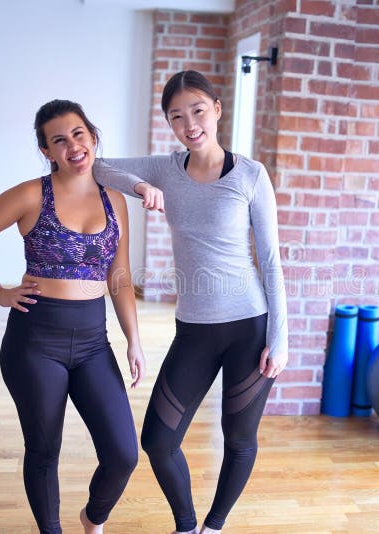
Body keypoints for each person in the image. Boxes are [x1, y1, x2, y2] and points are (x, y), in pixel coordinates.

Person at [91, 70, 288, 534]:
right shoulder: (165, 169)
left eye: (197, 110)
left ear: (217, 109)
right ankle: (186, 525)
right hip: (194, 330)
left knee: (239, 438)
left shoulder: (251, 175)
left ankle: (213, 528)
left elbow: (272, 261)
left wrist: (279, 339)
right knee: (158, 441)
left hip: (249, 326)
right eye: (176, 116)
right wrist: (140, 187)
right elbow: (99, 167)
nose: (189, 123)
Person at [0, 100, 153, 534]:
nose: (73, 145)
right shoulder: (29, 195)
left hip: (94, 342)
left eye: (79, 134)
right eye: (59, 140)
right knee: (44, 449)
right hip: (35, 342)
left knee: (123, 453)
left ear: (93, 137)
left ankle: (93, 517)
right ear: (47, 151)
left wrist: (133, 339)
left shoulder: (116, 200)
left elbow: (119, 275)